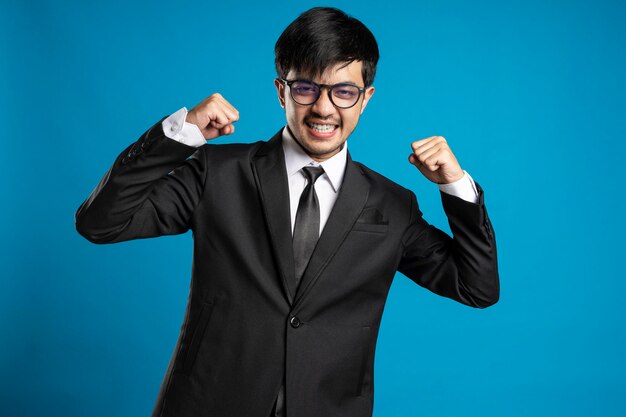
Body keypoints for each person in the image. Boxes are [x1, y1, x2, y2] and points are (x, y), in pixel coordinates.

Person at [75, 6, 499, 417]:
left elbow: (476, 287)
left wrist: (454, 185)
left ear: (366, 99)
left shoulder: (392, 205)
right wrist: (179, 136)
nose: (324, 108)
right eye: (306, 88)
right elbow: (101, 222)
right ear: (282, 91)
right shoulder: (217, 173)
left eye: (344, 92)